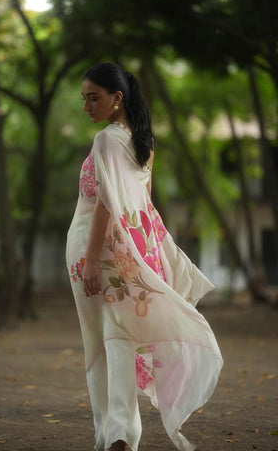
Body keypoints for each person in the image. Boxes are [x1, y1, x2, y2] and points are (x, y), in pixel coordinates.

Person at [66, 62, 223, 451]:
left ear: (116, 98)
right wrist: (149, 254)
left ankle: (113, 434)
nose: (86, 106)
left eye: (93, 97)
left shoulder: (106, 140)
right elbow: (145, 205)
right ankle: (120, 434)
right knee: (121, 337)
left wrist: (89, 259)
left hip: (97, 246)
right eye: (84, 98)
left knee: (100, 343)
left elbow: (105, 202)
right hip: (130, 249)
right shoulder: (144, 141)